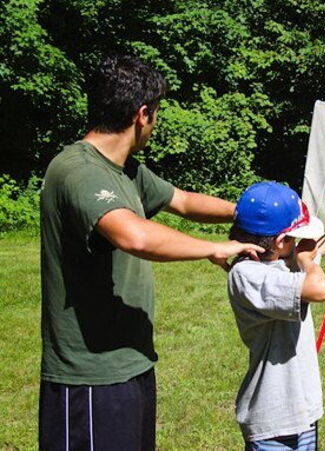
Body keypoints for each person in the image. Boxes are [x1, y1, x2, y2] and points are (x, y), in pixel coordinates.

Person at [39, 55, 263, 450]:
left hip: (132, 362)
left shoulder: (125, 170)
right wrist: (214, 247)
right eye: (156, 113)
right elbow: (134, 236)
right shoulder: (78, 170)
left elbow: (184, 201)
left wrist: (257, 215)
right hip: (91, 375)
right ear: (143, 115)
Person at [226, 182, 325, 450]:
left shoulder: (284, 260)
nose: (298, 244)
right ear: (280, 242)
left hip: (303, 411)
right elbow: (320, 289)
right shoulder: (247, 274)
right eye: (294, 238)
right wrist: (306, 260)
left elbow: (320, 248)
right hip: (274, 419)